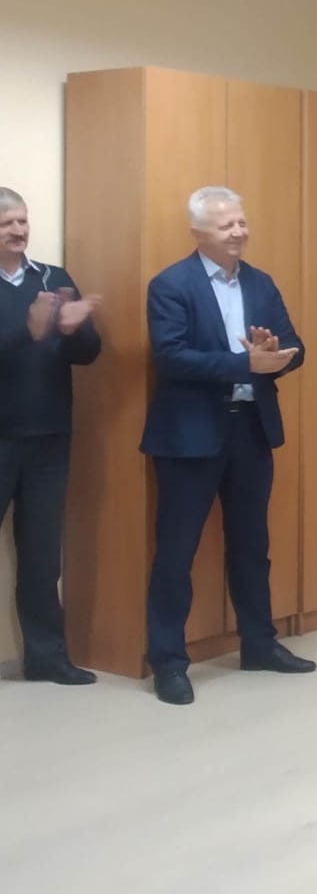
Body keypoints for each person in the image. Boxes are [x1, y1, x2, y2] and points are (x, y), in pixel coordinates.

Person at [142, 187, 311, 705]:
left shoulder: (260, 282)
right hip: (189, 436)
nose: (238, 232)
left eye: (241, 222)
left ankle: (259, 644)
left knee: (252, 546)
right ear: (198, 233)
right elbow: (170, 357)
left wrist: (274, 354)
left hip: (251, 429)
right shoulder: (171, 284)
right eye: (225, 226)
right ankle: (169, 662)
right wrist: (244, 363)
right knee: (176, 553)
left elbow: (295, 347)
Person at [0, 187, 101, 685]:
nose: (18, 231)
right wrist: (29, 330)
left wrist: (76, 328)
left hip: (49, 439)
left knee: (42, 558)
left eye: (22, 221)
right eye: (7, 224)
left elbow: (88, 354)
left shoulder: (54, 278)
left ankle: (47, 660)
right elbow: (24, 338)